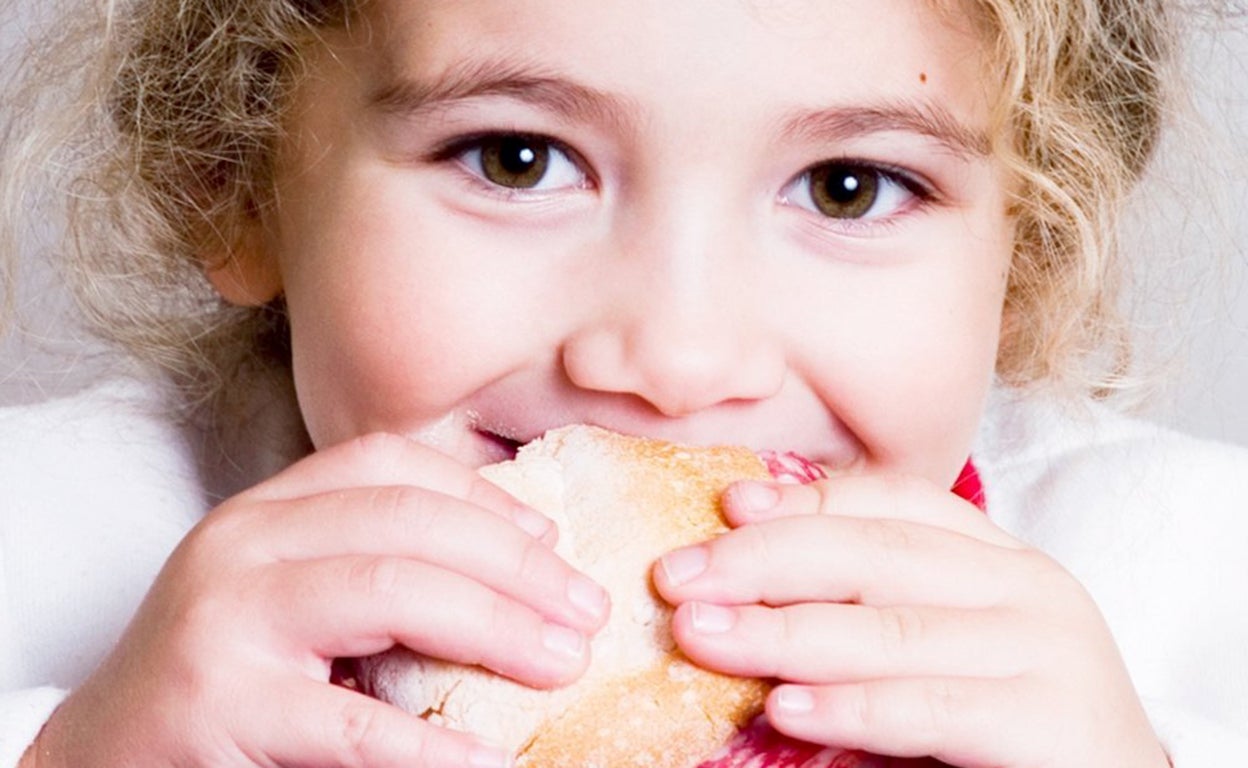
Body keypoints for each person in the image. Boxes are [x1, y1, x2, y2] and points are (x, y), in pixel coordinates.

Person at [1, 0, 1245, 766]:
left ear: (1020, 257)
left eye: (848, 186)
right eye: (518, 157)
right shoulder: (52, 539)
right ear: (236, 181)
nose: (675, 360)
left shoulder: (1185, 584)